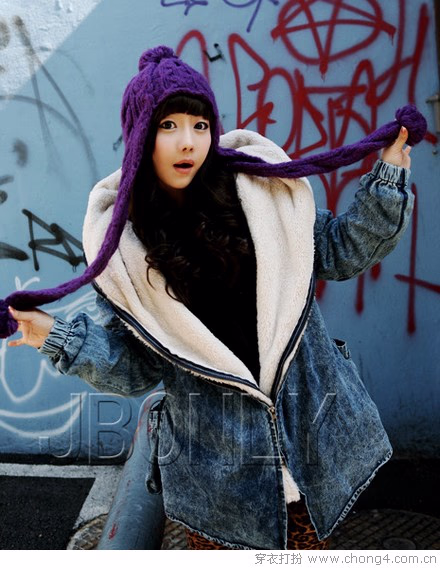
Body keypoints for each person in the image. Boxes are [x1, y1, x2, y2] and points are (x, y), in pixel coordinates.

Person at [4, 46, 421, 550]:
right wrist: (54, 335)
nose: (188, 141)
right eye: (168, 125)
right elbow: (135, 368)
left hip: (308, 454)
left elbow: (338, 251)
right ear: (140, 137)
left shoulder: (263, 196)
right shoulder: (126, 248)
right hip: (220, 483)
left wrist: (388, 178)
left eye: (199, 125)